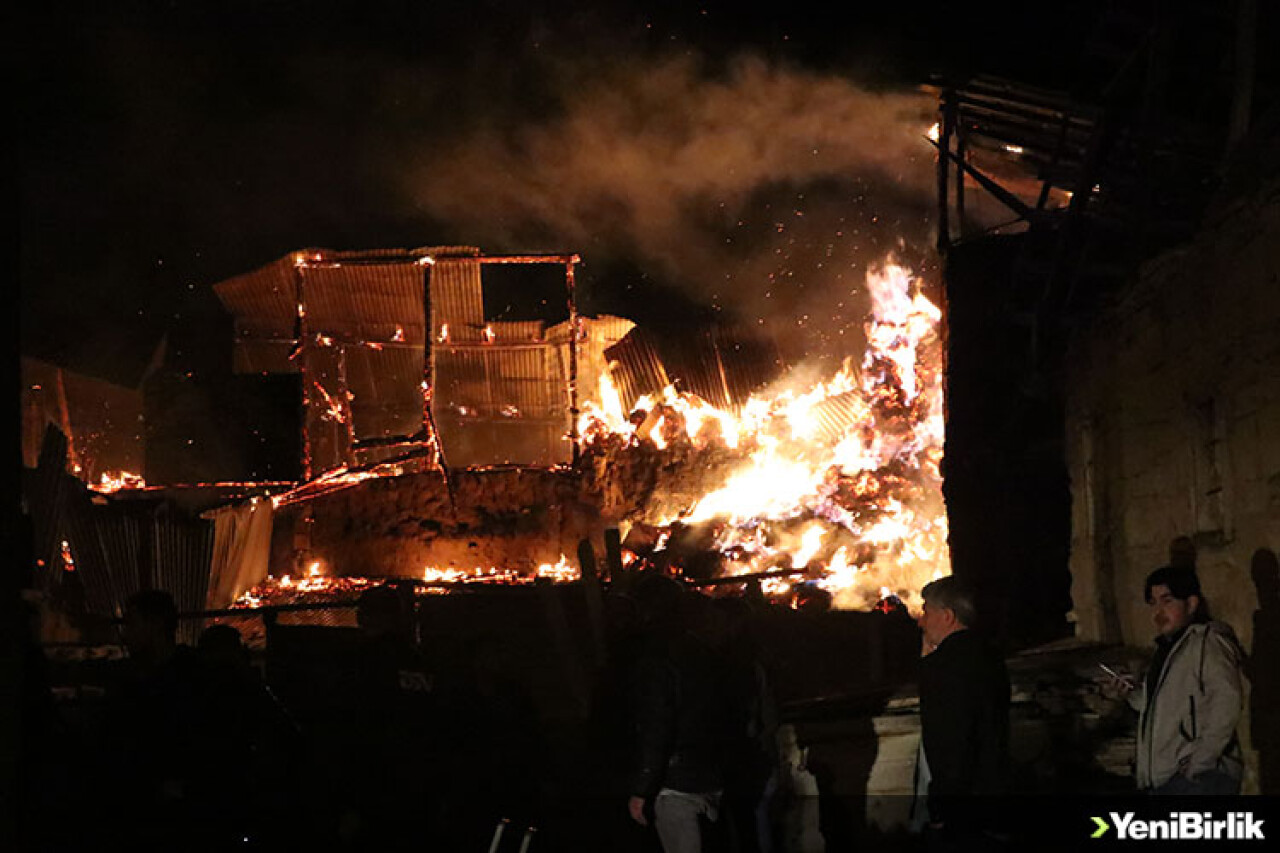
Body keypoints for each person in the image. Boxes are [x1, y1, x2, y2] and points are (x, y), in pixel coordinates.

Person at [1110, 566, 1244, 794]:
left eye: (1167, 601)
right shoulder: (1167, 649)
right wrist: (1132, 693)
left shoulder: (1206, 642)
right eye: (1153, 603)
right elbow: (1163, 708)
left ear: (1191, 604)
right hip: (1169, 779)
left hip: (1198, 780)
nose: (1159, 611)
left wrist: (1200, 763)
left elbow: (1226, 701)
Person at [629, 580, 732, 853]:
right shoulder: (703, 651)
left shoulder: (656, 659)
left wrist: (643, 788)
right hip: (710, 772)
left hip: (677, 783)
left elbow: (657, 725)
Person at [913, 576, 1010, 847]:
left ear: (947, 616)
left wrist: (940, 810)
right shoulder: (990, 656)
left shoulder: (943, 669)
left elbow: (948, 744)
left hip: (963, 811)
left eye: (926, 612)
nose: (921, 621)